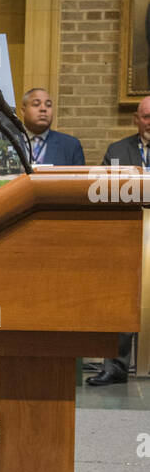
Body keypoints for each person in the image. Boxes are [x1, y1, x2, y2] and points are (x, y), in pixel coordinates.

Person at [87, 96, 150, 386]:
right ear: (137, 119)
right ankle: (116, 368)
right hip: (126, 237)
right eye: (147, 116)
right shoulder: (117, 150)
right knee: (120, 302)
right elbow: (101, 192)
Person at [20, 88, 85, 165]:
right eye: (36, 104)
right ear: (23, 111)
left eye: (48, 105)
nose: (43, 109)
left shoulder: (71, 145)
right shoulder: (8, 142)